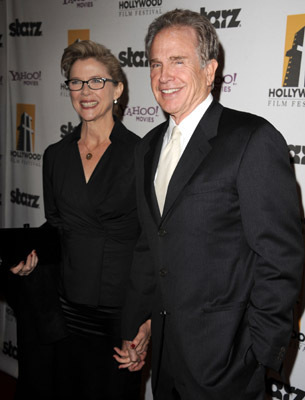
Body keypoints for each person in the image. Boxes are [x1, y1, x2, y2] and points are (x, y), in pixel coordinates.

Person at [115, 9, 304, 400]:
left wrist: (256, 354)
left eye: (178, 61)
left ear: (210, 69)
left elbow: (280, 256)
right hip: (166, 359)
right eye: (156, 64)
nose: (164, 76)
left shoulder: (251, 139)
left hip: (228, 364)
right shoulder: (147, 147)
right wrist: (141, 325)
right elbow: (151, 247)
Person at [10, 39, 150, 400]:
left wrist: (145, 322)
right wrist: (30, 258)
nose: (85, 91)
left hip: (119, 313)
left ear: (117, 89)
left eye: (96, 81)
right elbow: (57, 228)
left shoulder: (142, 155)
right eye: (76, 82)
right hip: (64, 309)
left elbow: (153, 243)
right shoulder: (55, 155)